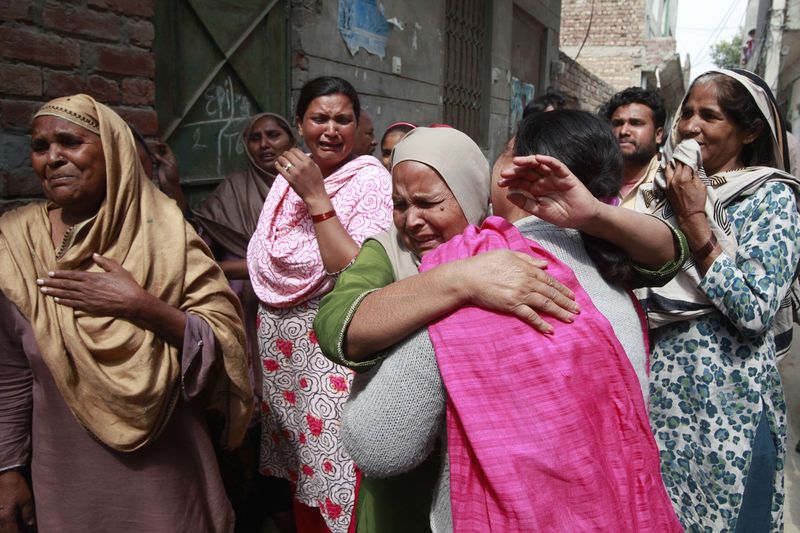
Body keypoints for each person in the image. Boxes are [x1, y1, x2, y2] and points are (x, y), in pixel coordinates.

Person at [314, 124, 686, 531]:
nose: (412, 220)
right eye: (398, 204)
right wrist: (456, 280)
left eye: (430, 202)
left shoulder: (523, 254)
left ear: (476, 188)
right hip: (407, 500)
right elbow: (336, 325)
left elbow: (670, 254)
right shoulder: (393, 251)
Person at [0, 94, 253, 532]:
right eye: (41, 147)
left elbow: (226, 343)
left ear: (113, 151)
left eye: (69, 142)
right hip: (65, 476)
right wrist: (7, 470)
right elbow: (11, 371)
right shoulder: (17, 244)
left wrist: (142, 307)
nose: (53, 158)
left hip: (167, 474)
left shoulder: (167, 235)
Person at [634, 69, 800, 532]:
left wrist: (694, 220)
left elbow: (754, 309)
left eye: (710, 115)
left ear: (749, 132)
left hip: (731, 411)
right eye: (687, 112)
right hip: (664, 404)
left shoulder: (772, 198)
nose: (690, 126)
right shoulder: (661, 189)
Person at [246, 76, 393, 533]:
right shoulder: (289, 176)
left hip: (331, 355)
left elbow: (353, 268)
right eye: (319, 118)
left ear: (358, 125)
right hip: (286, 362)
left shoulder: (370, 180)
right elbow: (270, 256)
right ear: (300, 124)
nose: (331, 130)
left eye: (342, 119)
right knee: (300, 468)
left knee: (338, 466)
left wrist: (316, 196)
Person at [193, 112, 297, 533]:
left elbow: (305, 260)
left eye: (273, 134)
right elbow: (199, 249)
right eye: (254, 138)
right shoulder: (233, 188)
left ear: (291, 137)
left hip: (294, 314)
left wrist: (239, 267)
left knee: (293, 406)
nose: (264, 144)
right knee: (256, 412)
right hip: (247, 317)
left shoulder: (305, 185)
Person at [602, 87, 666, 207]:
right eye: (617, 123)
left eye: (636, 123)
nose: (624, 131)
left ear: (658, 135)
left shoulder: (670, 184)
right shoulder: (594, 181)